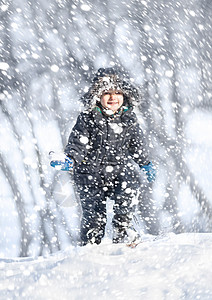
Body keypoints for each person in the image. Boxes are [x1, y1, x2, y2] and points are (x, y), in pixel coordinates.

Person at [51, 67, 156, 245]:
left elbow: (137, 144)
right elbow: (79, 142)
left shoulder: (129, 119)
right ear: (97, 96)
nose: (113, 97)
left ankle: (123, 231)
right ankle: (91, 243)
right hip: (89, 174)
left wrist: (145, 162)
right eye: (107, 93)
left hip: (118, 171)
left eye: (118, 93)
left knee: (128, 191)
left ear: (125, 96)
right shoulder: (87, 118)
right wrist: (71, 158)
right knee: (94, 214)